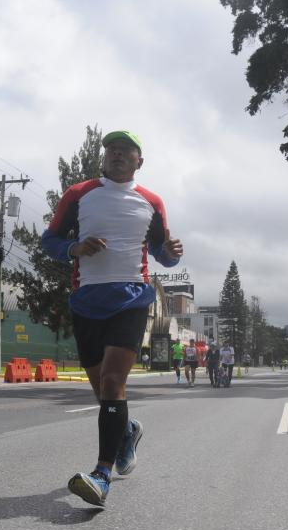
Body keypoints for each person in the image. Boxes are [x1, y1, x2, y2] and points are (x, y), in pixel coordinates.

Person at [41, 129, 183, 507]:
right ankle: (128, 430)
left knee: (113, 380)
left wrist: (171, 253)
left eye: (126, 151)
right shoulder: (79, 194)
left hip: (131, 298)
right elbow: (49, 240)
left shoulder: (151, 201)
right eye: (111, 150)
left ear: (140, 160)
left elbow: (161, 254)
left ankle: (102, 475)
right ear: (103, 159)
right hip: (86, 299)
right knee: (102, 390)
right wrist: (74, 247)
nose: (117, 155)